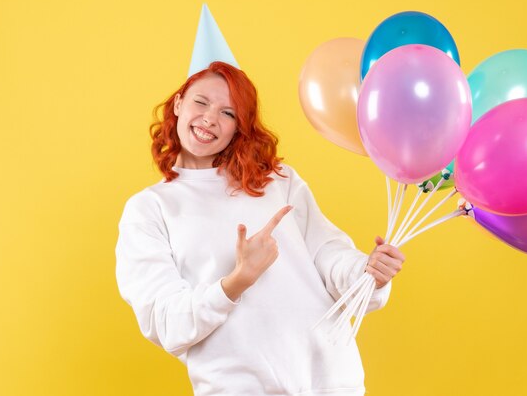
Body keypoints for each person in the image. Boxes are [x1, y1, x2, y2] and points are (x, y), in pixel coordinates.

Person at [115, 61, 406, 396]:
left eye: (228, 113)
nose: (210, 118)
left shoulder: (275, 181)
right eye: (201, 102)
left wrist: (367, 272)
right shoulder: (149, 209)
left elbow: (327, 252)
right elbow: (166, 322)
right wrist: (236, 282)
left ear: (239, 128)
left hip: (331, 380)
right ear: (178, 102)